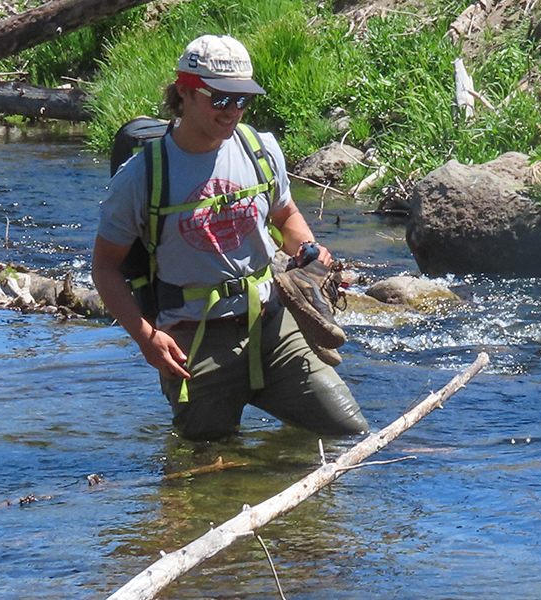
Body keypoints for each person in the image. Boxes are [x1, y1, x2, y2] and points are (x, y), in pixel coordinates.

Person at [91, 35, 369, 442]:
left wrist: (308, 252)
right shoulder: (141, 177)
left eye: (242, 100)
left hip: (274, 327)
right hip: (194, 342)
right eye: (220, 99)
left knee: (349, 434)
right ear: (184, 92)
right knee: (203, 463)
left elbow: (285, 215)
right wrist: (146, 338)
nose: (233, 111)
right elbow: (105, 268)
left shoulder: (261, 150)